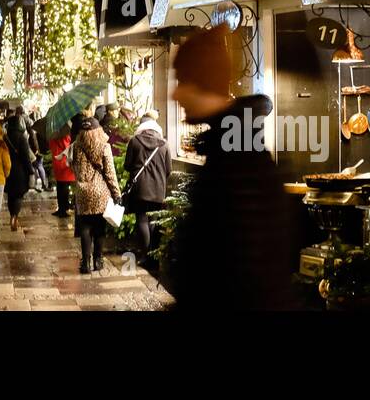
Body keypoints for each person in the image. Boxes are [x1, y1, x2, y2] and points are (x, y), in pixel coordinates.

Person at [169, 24, 293, 309]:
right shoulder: (232, 145)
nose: (176, 95)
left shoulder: (236, 157)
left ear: (202, 83)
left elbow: (245, 272)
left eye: (182, 80)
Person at [71, 115, 122, 273]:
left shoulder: (77, 146)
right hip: (100, 192)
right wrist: (117, 194)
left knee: (85, 227)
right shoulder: (104, 147)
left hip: (82, 191)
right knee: (99, 227)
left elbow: (74, 168)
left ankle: (85, 262)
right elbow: (110, 173)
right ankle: (98, 260)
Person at [123, 109, 172, 270]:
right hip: (158, 189)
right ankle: (153, 257)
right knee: (153, 221)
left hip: (140, 189)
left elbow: (127, 166)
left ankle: (145, 256)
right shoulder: (164, 144)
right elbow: (168, 170)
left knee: (142, 220)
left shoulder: (135, 141)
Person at [3, 113, 34, 231]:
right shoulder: (22, 137)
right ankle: (15, 217)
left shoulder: (5, 137)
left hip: (8, 170)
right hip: (20, 171)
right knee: (19, 196)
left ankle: (12, 215)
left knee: (11, 195)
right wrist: (30, 171)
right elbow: (26, 157)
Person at [48, 124, 76, 217]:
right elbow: (67, 147)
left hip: (57, 161)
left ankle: (61, 209)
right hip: (64, 162)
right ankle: (64, 210)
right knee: (64, 187)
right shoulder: (64, 135)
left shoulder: (52, 134)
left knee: (60, 187)